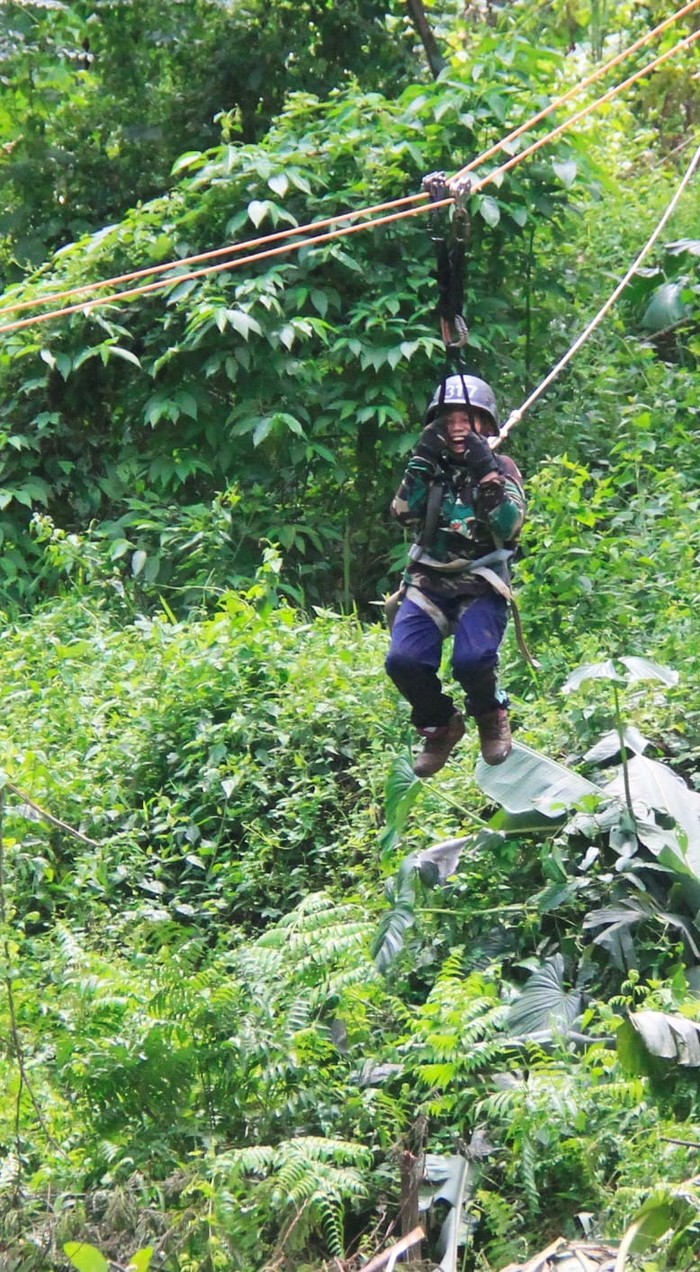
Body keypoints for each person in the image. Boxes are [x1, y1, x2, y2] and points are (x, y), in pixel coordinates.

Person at [385, 373, 526, 776]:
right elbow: (402, 514)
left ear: (486, 425)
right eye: (449, 421)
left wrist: (486, 472)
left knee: (473, 659)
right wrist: (422, 460)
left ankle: (490, 714)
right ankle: (440, 725)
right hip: (429, 582)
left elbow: (510, 525)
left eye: (468, 419)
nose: (459, 429)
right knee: (403, 661)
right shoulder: (427, 467)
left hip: (481, 583)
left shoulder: (502, 467)